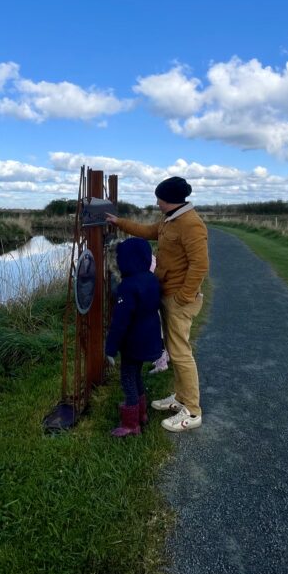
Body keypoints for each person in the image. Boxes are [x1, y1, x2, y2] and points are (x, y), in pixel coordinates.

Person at [106, 176, 208, 432]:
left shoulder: (191, 224)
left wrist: (184, 296)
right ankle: (180, 398)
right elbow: (148, 232)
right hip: (168, 292)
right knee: (174, 350)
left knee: (180, 353)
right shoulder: (170, 219)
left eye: (159, 198)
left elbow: (200, 265)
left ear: (169, 199)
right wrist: (119, 222)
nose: (157, 202)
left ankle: (193, 411)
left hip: (178, 298)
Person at [105, 237, 164, 437]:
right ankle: (142, 413)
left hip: (133, 344)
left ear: (127, 260)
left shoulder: (127, 287)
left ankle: (131, 424)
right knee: (136, 375)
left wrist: (111, 349)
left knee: (128, 379)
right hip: (150, 339)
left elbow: (120, 323)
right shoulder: (151, 279)